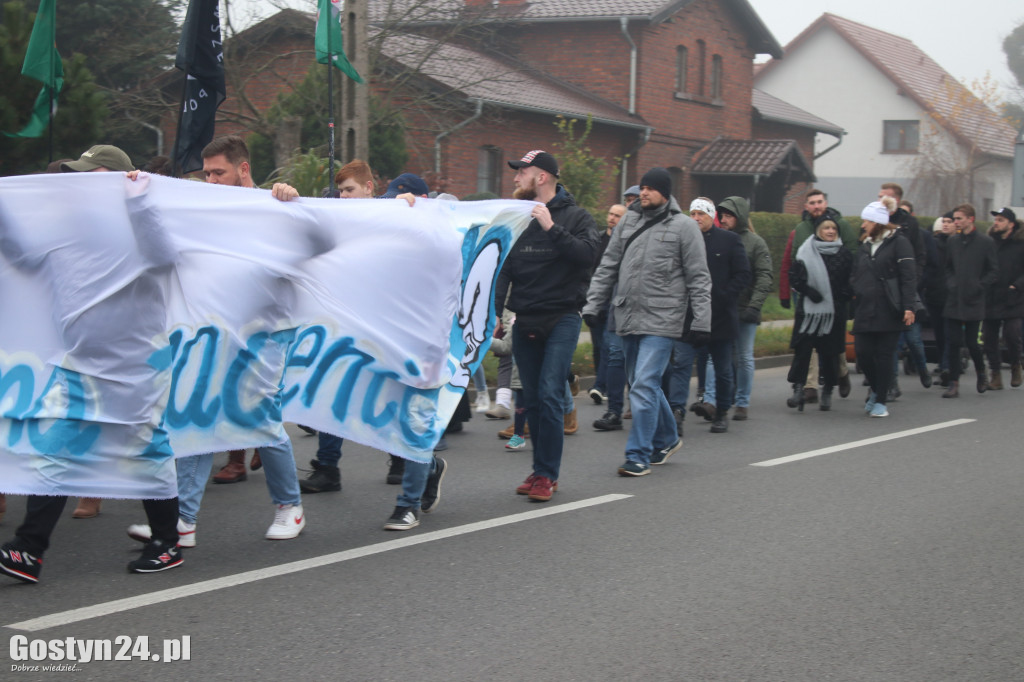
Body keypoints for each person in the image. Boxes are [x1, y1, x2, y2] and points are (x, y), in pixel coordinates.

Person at [1, 145, 183, 581]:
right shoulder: (66, 230)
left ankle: (167, 543)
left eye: (91, 174)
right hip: (80, 367)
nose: (79, 182)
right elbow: (23, 258)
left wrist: (139, 200)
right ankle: (28, 549)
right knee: (54, 454)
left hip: (138, 369)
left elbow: (165, 258)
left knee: (147, 453)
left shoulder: (141, 226)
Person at [128, 136, 307, 548]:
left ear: (243, 169)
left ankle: (289, 507)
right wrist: (141, 191)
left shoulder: (275, 206)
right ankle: (183, 521)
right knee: (196, 410)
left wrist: (293, 201)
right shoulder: (205, 209)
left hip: (268, 331)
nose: (209, 180)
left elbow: (314, 240)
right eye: (205, 172)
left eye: (218, 172)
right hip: (215, 328)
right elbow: (161, 233)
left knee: (258, 415)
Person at [583, 169, 711, 476]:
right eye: (642, 188)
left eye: (651, 189)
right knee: (644, 384)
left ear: (666, 194)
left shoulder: (684, 227)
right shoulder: (628, 220)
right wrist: (593, 304)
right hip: (626, 315)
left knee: (642, 384)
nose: (644, 193)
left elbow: (699, 277)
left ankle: (638, 454)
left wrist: (702, 321)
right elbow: (608, 265)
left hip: (664, 319)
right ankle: (667, 437)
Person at [495, 150, 597, 500]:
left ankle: (547, 476)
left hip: (562, 317)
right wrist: (496, 312)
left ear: (541, 177)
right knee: (533, 400)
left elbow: (587, 257)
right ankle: (539, 471)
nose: (515, 178)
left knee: (552, 394)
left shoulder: (577, 216)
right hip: (525, 317)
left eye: (521, 172)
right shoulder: (517, 218)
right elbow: (504, 267)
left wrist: (551, 228)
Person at [666, 197, 749, 433]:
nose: (696, 219)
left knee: (723, 368)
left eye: (701, 214)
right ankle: (677, 413)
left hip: (720, 318)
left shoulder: (730, 241)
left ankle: (721, 411)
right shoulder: (682, 240)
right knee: (681, 365)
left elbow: (743, 274)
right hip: (688, 317)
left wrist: (723, 296)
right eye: (692, 214)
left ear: (711, 216)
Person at [778, 189, 859, 402]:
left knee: (832, 347)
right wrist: (789, 291)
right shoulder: (801, 229)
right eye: (812, 203)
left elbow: (854, 258)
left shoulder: (843, 226)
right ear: (806, 206)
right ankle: (809, 386)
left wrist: (847, 293)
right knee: (806, 344)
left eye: (819, 202)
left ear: (826, 203)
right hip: (808, 297)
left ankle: (839, 375)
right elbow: (791, 261)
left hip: (835, 301)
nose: (816, 206)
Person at [705, 196, 772, 421]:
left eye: (729, 215)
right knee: (717, 357)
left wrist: (754, 306)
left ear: (741, 217)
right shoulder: (716, 239)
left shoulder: (756, 243)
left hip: (744, 309)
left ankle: (742, 401)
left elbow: (764, 276)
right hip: (722, 309)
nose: (723, 219)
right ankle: (710, 400)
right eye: (721, 215)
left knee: (743, 356)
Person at [850, 198, 917, 417]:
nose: (863, 225)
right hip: (864, 308)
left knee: (885, 355)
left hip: (889, 309)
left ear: (878, 222)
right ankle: (878, 388)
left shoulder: (900, 242)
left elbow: (908, 277)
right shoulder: (865, 244)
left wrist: (909, 307)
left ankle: (879, 401)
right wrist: (855, 287)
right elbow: (855, 272)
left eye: (866, 221)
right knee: (863, 353)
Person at [942, 203, 998, 398]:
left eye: (959, 218)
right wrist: (951, 283)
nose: (956, 222)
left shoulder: (985, 242)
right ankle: (954, 382)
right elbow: (948, 267)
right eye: (954, 218)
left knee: (972, 343)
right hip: (954, 298)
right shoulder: (953, 241)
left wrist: (980, 286)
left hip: (974, 299)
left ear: (970, 219)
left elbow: (993, 270)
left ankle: (981, 373)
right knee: (954, 342)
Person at [879, 183, 929, 398]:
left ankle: (923, 368)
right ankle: (892, 384)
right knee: (890, 340)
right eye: (879, 196)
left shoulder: (910, 224)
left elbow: (919, 256)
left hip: (906, 286)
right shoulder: (877, 220)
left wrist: (913, 282)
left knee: (913, 339)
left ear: (896, 200)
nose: (881, 200)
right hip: (886, 288)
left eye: (886, 197)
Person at [588, 204, 626, 406]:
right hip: (597, 300)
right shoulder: (599, 239)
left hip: (617, 301)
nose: (612, 218)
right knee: (598, 346)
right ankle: (602, 382)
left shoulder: (624, 242)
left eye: (617, 216)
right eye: (610, 214)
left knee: (608, 345)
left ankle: (600, 385)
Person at [983, 207, 1024, 389]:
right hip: (991, 296)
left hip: (1013, 297)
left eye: (1000, 220)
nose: (996, 223)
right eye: (996, 219)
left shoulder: (1020, 243)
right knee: (988, 337)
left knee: (1012, 334)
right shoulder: (989, 242)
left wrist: (1017, 285)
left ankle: (1016, 365)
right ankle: (995, 373)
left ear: (1011, 224)